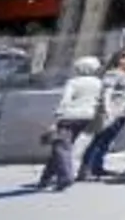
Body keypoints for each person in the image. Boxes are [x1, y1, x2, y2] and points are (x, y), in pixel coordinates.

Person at [38, 57, 103, 191]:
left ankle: (65, 177)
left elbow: (65, 101)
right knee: (61, 146)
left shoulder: (73, 82)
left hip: (70, 116)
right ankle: (45, 178)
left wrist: (57, 118)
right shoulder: (99, 83)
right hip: (88, 117)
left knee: (61, 147)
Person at [79, 49, 125, 180]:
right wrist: (107, 109)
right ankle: (85, 169)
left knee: (106, 141)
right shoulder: (113, 74)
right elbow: (107, 92)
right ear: (120, 59)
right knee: (99, 140)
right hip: (112, 112)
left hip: (123, 112)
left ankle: (97, 167)